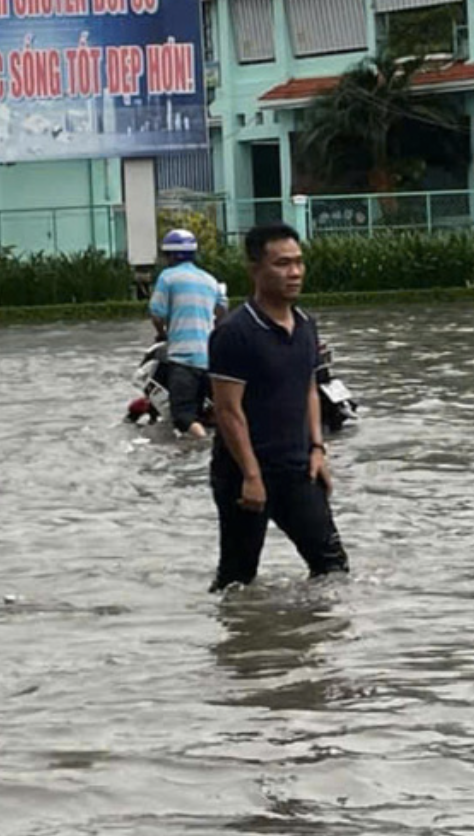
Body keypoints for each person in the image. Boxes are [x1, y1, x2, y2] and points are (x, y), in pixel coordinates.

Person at [205, 223, 347, 592]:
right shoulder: (235, 332)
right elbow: (227, 411)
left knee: (332, 567)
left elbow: (309, 390)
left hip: (298, 471)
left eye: (299, 262)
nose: (295, 272)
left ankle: (312, 642)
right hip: (242, 475)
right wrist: (251, 475)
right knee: (238, 580)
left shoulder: (305, 325)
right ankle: (240, 644)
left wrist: (317, 449)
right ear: (255, 270)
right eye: (282, 264)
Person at [145, 227, 225, 435]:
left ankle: (199, 446)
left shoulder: (167, 278)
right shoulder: (210, 280)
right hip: (209, 360)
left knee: (183, 417)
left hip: (182, 359)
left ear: (170, 255)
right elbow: (222, 309)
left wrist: (163, 333)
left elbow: (156, 313)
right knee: (210, 410)